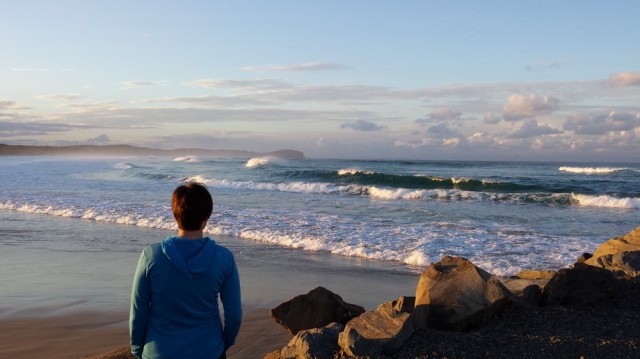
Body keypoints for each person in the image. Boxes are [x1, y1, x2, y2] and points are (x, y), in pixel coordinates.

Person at [130, 182, 242, 359]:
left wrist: (137, 347)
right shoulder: (224, 258)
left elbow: (138, 312)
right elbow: (234, 315)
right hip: (209, 350)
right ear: (206, 218)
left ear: (175, 215)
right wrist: (224, 343)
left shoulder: (151, 255)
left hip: (160, 352)